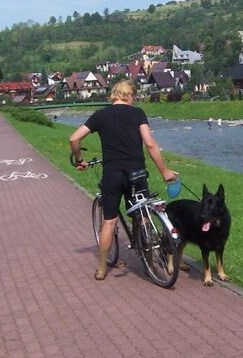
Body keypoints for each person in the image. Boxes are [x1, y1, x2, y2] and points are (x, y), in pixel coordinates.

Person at [69, 80, 178, 280]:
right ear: (130, 95)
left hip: (112, 174)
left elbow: (74, 139)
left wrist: (79, 159)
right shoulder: (138, 113)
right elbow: (150, 144)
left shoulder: (100, 115)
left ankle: (101, 269)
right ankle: (150, 264)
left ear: (115, 94)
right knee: (143, 216)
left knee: (109, 222)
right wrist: (164, 171)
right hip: (137, 173)